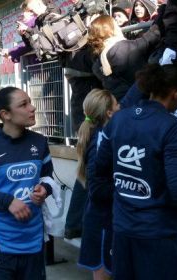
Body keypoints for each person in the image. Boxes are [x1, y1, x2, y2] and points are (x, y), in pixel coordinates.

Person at [92, 64, 177, 280]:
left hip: (122, 231)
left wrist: (124, 192)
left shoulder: (119, 119)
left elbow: (98, 170)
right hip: (158, 235)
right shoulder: (170, 125)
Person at [0, 87, 54, 280]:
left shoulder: (39, 142)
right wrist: (8, 201)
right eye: (24, 104)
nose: (33, 108)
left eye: (30, 102)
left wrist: (44, 189)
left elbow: (48, 178)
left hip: (34, 243)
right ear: (5, 114)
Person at [76, 89, 119, 280]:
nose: (121, 107)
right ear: (109, 112)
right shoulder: (101, 139)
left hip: (105, 220)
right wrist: (127, 188)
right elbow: (97, 189)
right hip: (102, 222)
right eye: (117, 104)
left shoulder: (104, 135)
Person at [88, 15, 160, 101]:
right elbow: (149, 38)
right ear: (110, 30)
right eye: (116, 25)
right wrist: (162, 13)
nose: (119, 28)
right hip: (139, 103)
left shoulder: (98, 59)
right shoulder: (120, 48)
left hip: (120, 105)